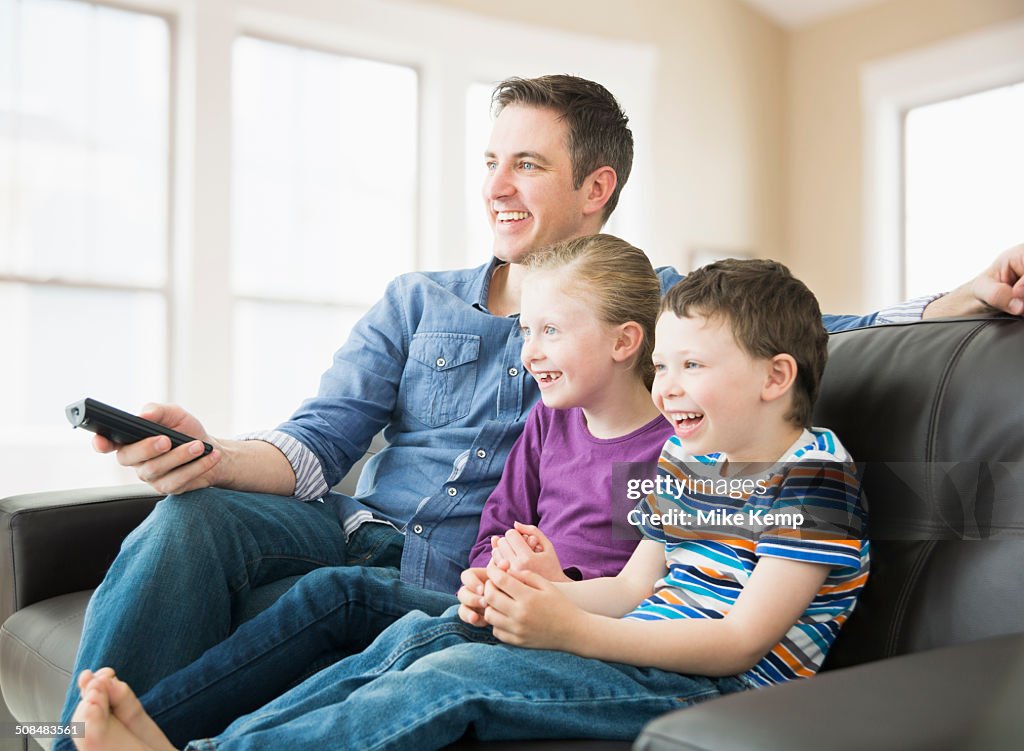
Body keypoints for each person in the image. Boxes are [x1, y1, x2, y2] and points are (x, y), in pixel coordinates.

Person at [56, 70, 1024, 739]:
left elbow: (802, 329)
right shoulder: (417, 299)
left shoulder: (659, 311)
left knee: (415, 644)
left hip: (477, 585)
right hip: (366, 531)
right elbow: (318, 441)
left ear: (595, 189)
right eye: (489, 161)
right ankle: (89, 739)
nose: (496, 186)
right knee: (197, 517)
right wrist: (213, 455)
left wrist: (957, 298)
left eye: (526, 164)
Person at [68, 258, 869, 750]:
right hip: (632, 640)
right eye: (666, 364)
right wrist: (533, 596)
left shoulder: (814, 474)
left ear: (776, 376)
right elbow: (633, 588)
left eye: (691, 364)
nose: (667, 386)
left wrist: (572, 627)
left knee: (450, 680)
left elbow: (738, 640)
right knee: (426, 633)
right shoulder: (686, 462)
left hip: (714, 690)